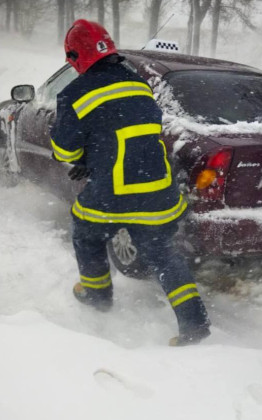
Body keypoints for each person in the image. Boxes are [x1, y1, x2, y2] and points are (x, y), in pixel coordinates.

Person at [50, 19, 210, 346]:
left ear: (75, 57)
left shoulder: (75, 92)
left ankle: (97, 295)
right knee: (163, 254)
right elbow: (128, 130)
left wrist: (83, 156)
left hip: (113, 192)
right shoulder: (138, 83)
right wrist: (95, 151)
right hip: (157, 189)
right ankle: (195, 323)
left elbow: (63, 148)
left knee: (86, 231)